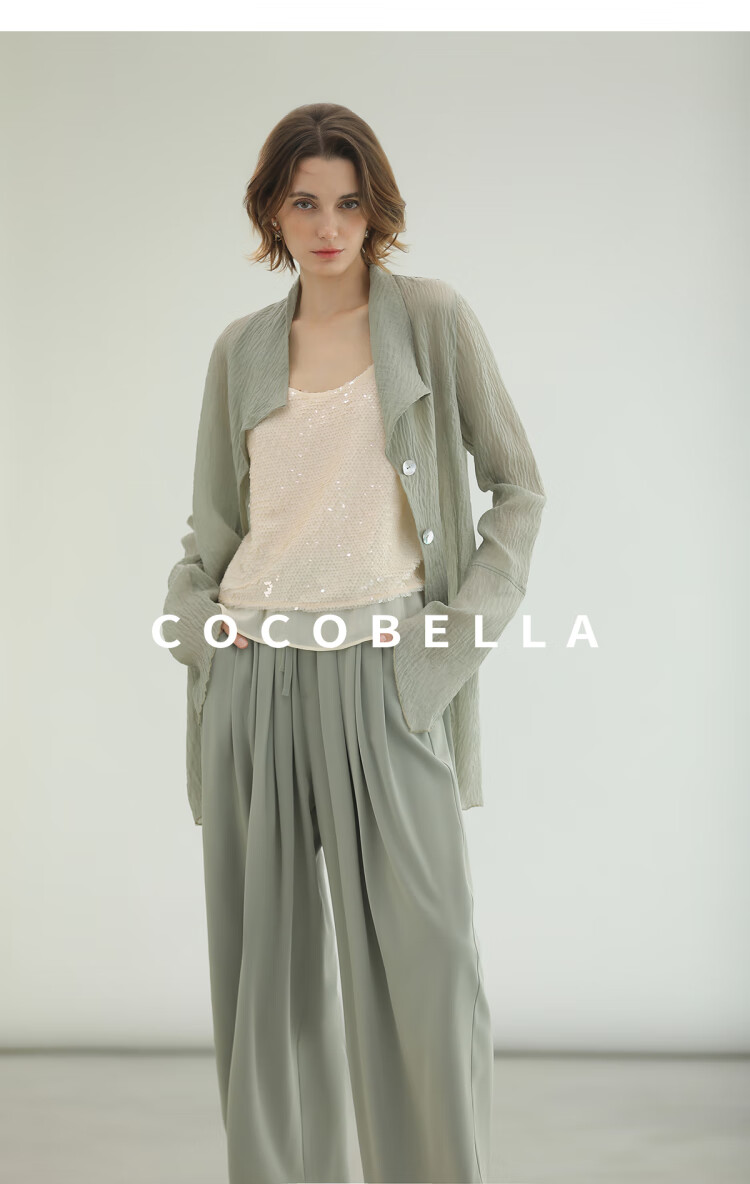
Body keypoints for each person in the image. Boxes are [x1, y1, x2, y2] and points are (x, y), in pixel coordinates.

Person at [160, 102, 546, 1184]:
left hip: (388, 678)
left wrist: (443, 655)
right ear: (272, 213)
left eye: (347, 201)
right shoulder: (239, 350)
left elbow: (518, 489)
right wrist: (201, 632)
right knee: (269, 997)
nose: (328, 226)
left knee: (430, 972)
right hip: (255, 682)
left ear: (376, 209)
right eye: (304, 202)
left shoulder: (432, 319)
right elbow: (211, 531)